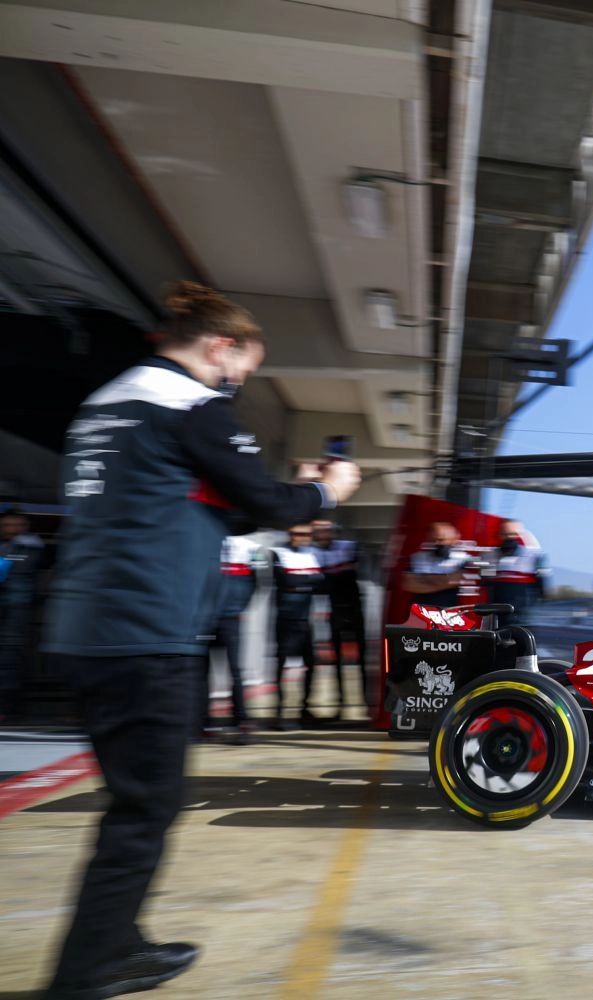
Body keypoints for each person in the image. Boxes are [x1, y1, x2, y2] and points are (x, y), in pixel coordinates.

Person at [40, 281, 361, 999]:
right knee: (144, 812)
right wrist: (328, 489)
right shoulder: (195, 406)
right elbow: (273, 507)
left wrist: (275, 492)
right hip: (148, 634)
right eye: (240, 370)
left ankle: (120, 943)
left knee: (140, 799)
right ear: (220, 345)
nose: (236, 385)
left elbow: (214, 510)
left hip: (84, 629)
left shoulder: (106, 403)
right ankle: (83, 976)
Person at [269, 525, 333, 728]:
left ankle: (304, 709)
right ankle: (279, 711)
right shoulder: (278, 553)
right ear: (289, 535)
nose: (302, 537)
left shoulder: (312, 555)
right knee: (281, 666)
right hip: (285, 620)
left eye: (306, 534)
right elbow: (285, 580)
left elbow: (322, 583)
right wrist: (307, 580)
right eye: (297, 534)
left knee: (311, 666)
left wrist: (298, 583)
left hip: (305, 621)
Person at [203, 533, 260, 743]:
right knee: (202, 672)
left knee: (235, 671)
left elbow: (258, 583)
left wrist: (239, 608)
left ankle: (242, 720)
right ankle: (204, 722)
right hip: (205, 620)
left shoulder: (250, 547)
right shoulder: (204, 540)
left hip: (231, 619)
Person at [311, 519, 367, 711]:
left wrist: (330, 574)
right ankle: (341, 702)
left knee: (362, 657)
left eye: (326, 530)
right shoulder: (313, 553)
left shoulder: (348, 547)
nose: (323, 534)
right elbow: (319, 582)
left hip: (353, 607)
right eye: (319, 531)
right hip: (333, 609)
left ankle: (366, 701)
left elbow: (354, 570)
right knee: (336, 660)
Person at [0, 507, 45, 721]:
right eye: (7, 525)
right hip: (13, 606)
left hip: (17, 608)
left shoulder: (30, 546)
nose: (12, 529)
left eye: (16, 525)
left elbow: (9, 570)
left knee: (11, 658)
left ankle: (8, 709)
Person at [485, 520, 548, 625]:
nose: (510, 538)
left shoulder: (535, 556)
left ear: (521, 535)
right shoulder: (489, 556)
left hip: (522, 612)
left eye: (514, 534)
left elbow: (542, 584)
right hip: (498, 610)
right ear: (500, 535)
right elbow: (485, 581)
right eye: (506, 534)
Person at [402, 521, 473, 610]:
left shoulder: (462, 559)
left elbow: (453, 581)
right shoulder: (417, 558)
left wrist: (422, 580)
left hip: (449, 612)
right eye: (433, 540)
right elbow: (408, 584)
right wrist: (442, 581)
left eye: (441, 540)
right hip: (420, 611)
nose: (436, 543)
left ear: (454, 540)